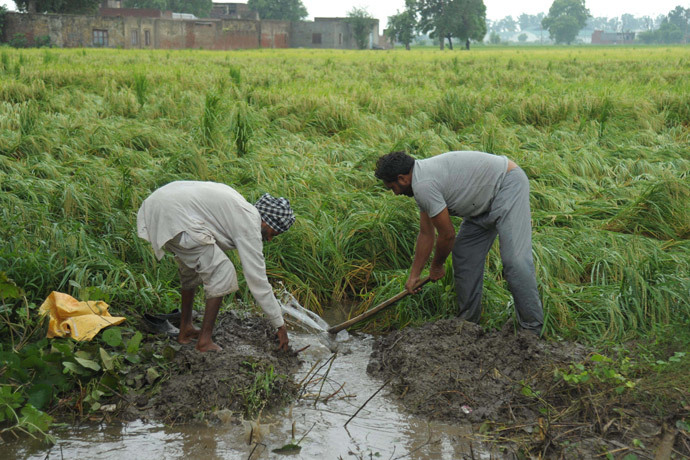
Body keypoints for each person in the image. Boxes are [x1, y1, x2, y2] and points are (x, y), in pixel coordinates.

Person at [374, 151, 543, 335]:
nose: (395, 193)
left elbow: (447, 235)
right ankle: (469, 326)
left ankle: (532, 329)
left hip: (506, 184)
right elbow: (426, 234)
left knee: (514, 261)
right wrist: (414, 275)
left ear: (402, 178)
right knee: (464, 254)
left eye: (392, 188)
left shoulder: (423, 185)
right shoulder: (420, 182)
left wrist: (437, 266)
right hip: (480, 202)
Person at [137, 181, 295, 352]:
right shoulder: (249, 223)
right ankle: (204, 341)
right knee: (223, 273)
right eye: (274, 233)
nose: (270, 239)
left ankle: (186, 329)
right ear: (267, 222)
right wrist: (280, 325)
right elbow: (257, 279)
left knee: (192, 270)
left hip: (161, 205)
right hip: (173, 213)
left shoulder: (239, 208)